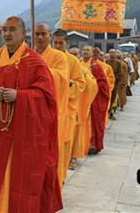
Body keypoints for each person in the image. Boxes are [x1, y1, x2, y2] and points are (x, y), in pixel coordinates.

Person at [0, 16, 62, 212]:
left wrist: (20, 96)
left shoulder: (35, 60)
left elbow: (46, 96)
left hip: (24, 133)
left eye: (12, 29)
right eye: (4, 29)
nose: (7, 33)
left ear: (24, 33)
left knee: (22, 178)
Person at [34, 23, 69, 190]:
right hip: (32, 112)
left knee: (51, 154)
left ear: (49, 37)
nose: (40, 37)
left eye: (43, 34)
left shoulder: (59, 57)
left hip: (51, 112)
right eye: (37, 34)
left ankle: (52, 187)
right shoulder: (28, 55)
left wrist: (39, 69)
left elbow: (62, 79)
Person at [52, 30, 85, 175]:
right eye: (55, 42)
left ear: (66, 43)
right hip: (48, 108)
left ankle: (60, 175)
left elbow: (81, 84)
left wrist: (67, 85)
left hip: (65, 109)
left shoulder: (72, 61)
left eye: (61, 43)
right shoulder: (46, 58)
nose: (58, 45)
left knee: (63, 144)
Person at [80, 45, 109, 154]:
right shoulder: (78, 63)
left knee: (91, 123)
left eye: (88, 50)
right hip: (79, 97)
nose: (85, 52)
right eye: (84, 50)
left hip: (92, 99)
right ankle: (79, 144)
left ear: (92, 53)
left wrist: (89, 81)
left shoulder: (96, 66)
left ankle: (91, 144)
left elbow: (103, 84)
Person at [104, 49, 123, 121]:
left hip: (114, 84)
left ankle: (111, 113)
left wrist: (113, 79)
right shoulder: (106, 62)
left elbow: (120, 74)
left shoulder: (118, 63)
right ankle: (106, 112)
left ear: (115, 54)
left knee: (113, 99)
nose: (111, 54)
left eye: (113, 53)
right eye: (110, 52)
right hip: (106, 84)